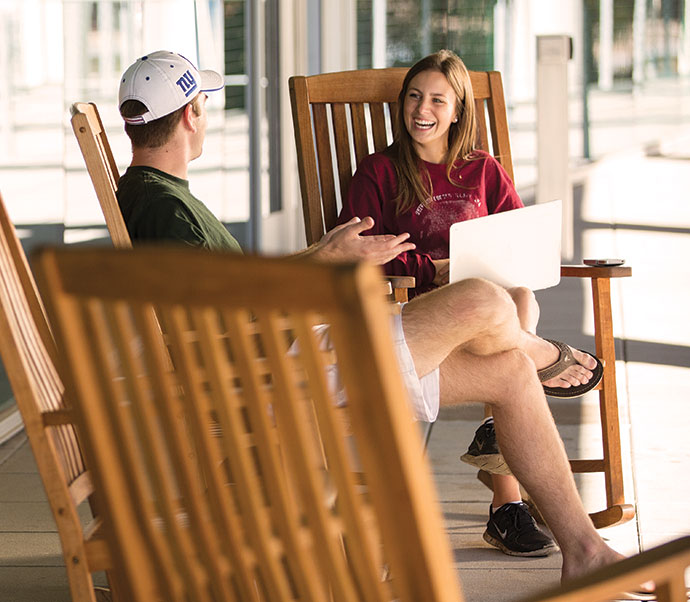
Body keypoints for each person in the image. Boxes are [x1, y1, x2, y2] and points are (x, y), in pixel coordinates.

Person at [114, 51, 651, 593]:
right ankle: (546, 355)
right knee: (485, 302)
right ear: (189, 116)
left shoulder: (159, 197)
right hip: (279, 363)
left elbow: (230, 296)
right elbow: (225, 314)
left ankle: (584, 552)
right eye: (203, 103)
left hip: (289, 347)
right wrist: (323, 264)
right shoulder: (165, 208)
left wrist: (321, 254)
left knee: (507, 371)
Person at [337, 49, 602, 558]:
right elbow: (362, 253)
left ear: (457, 110)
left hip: (487, 305)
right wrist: (427, 272)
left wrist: (478, 270)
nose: (422, 108)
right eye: (414, 96)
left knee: (520, 295)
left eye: (438, 98)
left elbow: (520, 239)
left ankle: (499, 456)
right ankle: (507, 504)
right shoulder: (379, 172)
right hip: (417, 307)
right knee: (509, 330)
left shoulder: (482, 169)